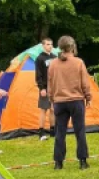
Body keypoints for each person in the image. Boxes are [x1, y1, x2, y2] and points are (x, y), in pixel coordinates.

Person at [48, 35, 92, 170]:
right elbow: (85, 83)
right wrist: (88, 97)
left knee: (59, 132)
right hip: (76, 101)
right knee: (80, 131)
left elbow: (50, 84)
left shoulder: (53, 64)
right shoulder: (78, 62)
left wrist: (51, 99)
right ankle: (83, 162)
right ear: (72, 47)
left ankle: (58, 163)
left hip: (59, 102)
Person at [34, 37, 55, 141]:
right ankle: (41, 132)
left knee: (53, 109)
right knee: (44, 110)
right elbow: (39, 75)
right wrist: (42, 88)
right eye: (47, 44)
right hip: (45, 88)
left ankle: (53, 131)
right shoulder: (40, 58)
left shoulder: (55, 57)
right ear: (43, 46)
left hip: (54, 88)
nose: (50, 46)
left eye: (51, 44)